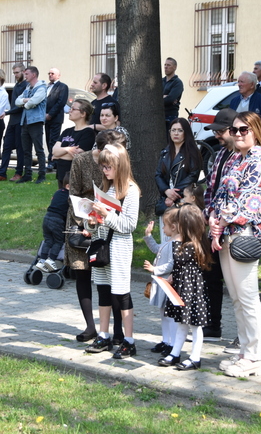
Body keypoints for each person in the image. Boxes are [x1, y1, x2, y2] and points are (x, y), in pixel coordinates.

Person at [208, 111, 261, 377]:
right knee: (235, 297)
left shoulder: (260, 161)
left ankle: (254, 357)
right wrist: (212, 217)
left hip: (244, 234)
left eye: (243, 130)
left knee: (247, 297)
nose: (237, 134)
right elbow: (219, 193)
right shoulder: (235, 158)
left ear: (255, 131)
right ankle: (244, 350)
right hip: (225, 233)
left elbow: (251, 203)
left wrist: (220, 221)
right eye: (234, 130)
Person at [66, 130, 127, 344]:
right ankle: (91, 326)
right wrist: (83, 221)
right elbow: (73, 192)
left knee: (108, 278)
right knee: (82, 272)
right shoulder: (81, 160)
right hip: (81, 218)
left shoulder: (117, 163)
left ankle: (116, 329)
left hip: (106, 222)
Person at [84, 143, 141, 360]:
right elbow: (98, 223)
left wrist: (106, 214)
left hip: (118, 248)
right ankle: (103, 334)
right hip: (101, 246)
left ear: (120, 165)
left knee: (121, 294)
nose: (105, 171)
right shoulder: (105, 188)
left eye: (108, 167)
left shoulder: (130, 190)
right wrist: (91, 221)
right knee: (103, 291)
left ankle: (129, 340)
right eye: (103, 167)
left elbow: (128, 226)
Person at [156, 205, 212, 371]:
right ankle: (175, 353)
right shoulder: (183, 244)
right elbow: (178, 265)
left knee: (195, 326)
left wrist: (176, 240)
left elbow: (179, 260)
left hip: (192, 292)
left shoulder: (190, 246)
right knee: (181, 323)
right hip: (182, 290)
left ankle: (195, 357)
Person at [201, 108, 239, 343]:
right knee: (211, 276)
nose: (217, 135)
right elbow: (211, 190)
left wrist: (221, 216)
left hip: (234, 227)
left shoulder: (243, 157)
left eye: (221, 131)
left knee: (237, 287)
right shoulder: (220, 154)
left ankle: (243, 336)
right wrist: (209, 215)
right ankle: (213, 325)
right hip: (214, 224)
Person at [155, 117, 201, 240]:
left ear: (186, 132)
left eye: (180, 130)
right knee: (165, 238)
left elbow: (192, 176)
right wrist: (166, 191)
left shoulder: (193, 152)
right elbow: (158, 174)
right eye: (173, 130)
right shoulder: (165, 152)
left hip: (183, 202)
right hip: (165, 201)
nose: (176, 133)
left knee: (181, 239)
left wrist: (174, 194)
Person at [142, 207, 179, 358]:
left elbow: (171, 264)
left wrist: (154, 269)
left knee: (170, 315)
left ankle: (172, 343)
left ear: (174, 226)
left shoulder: (175, 243)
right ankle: (166, 340)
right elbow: (156, 249)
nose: (162, 228)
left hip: (167, 283)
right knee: (163, 313)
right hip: (160, 282)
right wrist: (148, 235)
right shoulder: (168, 241)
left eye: (164, 225)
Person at [0, 63, 28, 183]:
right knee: (6, 146)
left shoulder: (26, 86)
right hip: (12, 121)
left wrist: (7, 113)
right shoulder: (16, 85)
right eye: (14, 73)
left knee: (20, 148)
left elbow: (21, 106)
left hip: (21, 121)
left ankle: (19, 172)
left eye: (17, 72)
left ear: (24, 72)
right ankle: (2, 173)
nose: (15, 75)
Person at [15, 66, 48, 184]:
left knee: (39, 149)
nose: (25, 76)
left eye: (27, 73)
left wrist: (26, 102)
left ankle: (41, 175)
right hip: (25, 121)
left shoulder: (41, 88)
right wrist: (25, 101)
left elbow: (33, 102)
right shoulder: (28, 88)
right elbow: (17, 101)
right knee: (26, 150)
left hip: (36, 121)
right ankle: (27, 174)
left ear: (34, 75)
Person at [52, 98, 94, 185]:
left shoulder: (88, 132)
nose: (69, 111)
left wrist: (58, 156)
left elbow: (76, 156)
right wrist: (67, 149)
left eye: (73, 109)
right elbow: (54, 151)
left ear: (83, 114)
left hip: (75, 176)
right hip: (61, 174)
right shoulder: (67, 131)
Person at [35, 173, 71, 273]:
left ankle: (42, 260)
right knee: (58, 241)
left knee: (48, 241)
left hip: (47, 218)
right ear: (68, 186)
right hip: (57, 220)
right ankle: (51, 260)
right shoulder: (70, 196)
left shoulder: (58, 192)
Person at [44, 68, 69, 170]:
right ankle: (51, 160)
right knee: (47, 139)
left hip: (55, 118)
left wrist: (50, 114)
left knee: (53, 140)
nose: (50, 75)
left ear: (58, 75)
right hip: (45, 118)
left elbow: (61, 102)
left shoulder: (62, 87)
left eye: (52, 73)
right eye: (49, 73)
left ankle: (53, 162)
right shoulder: (46, 87)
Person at [162, 57, 183, 131]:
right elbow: (153, 97)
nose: (166, 67)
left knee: (170, 139)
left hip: (171, 115)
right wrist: (164, 97)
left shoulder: (177, 83)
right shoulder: (161, 81)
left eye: (168, 65)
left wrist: (166, 98)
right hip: (160, 115)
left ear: (175, 67)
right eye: (165, 65)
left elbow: (170, 99)